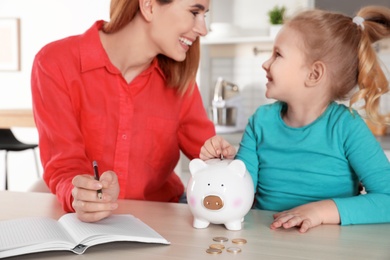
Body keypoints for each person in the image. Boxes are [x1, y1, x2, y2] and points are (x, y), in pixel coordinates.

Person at [200, 6, 390, 233]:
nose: (265, 63)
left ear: (314, 74)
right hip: (266, 238)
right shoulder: (260, 122)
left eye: (278, 54)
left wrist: (319, 212)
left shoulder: (346, 127)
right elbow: (239, 193)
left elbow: (386, 199)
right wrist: (224, 164)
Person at [31, 0, 214, 223]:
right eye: (194, 12)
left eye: (204, 15)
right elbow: (64, 165)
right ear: (148, 6)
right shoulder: (55, 63)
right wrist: (81, 195)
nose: (203, 29)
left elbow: (211, 161)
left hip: (163, 217)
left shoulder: (180, 81)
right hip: (86, 224)